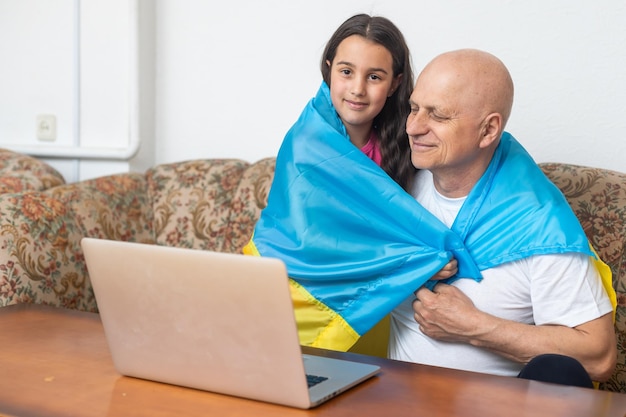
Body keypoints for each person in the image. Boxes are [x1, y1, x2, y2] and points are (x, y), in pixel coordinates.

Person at [388, 48, 617, 387]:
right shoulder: (396, 184)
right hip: (389, 400)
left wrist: (474, 327)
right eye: (414, 108)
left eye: (438, 115)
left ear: (488, 130)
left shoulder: (537, 221)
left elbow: (599, 357)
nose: (414, 127)